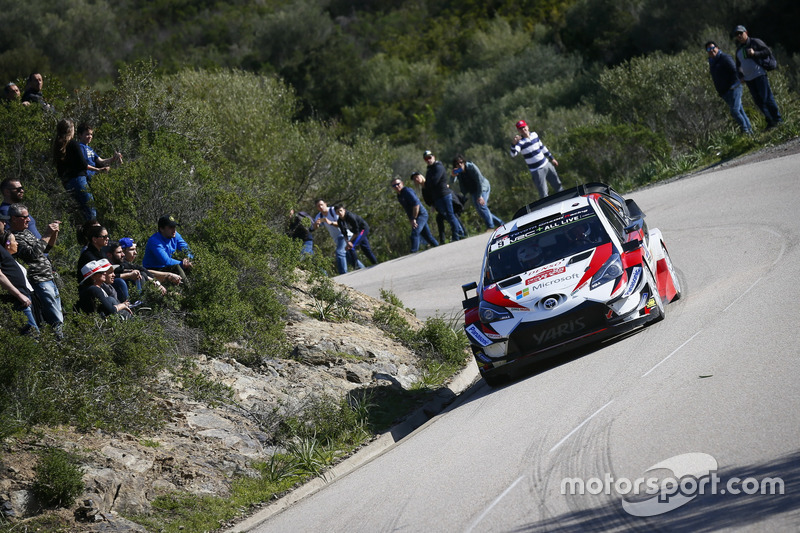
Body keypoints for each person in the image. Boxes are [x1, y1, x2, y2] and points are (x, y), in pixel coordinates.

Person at [8, 203, 63, 334]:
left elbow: (46, 249)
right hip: (39, 280)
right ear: (14, 218)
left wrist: (53, 234)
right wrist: (47, 234)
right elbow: (32, 255)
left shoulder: (26, 232)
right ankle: (60, 343)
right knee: (55, 317)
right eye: (25, 217)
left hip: (48, 278)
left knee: (58, 314)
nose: (29, 220)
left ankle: (60, 341)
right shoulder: (12, 237)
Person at [733, 25, 782, 130]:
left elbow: (768, 51)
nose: (739, 36)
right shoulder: (738, 50)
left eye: (740, 33)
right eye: (737, 34)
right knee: (759, 102)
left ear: (746, 32)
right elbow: (738, 66)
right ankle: (771, 121)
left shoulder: (755, 42)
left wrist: (755, 53)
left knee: (767, 98)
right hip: (749, 79)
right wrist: (741, 76)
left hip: (759, 75)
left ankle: (778, 120)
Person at [53, 118, 101, 221]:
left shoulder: (58, 145)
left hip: (67, 182)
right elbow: (83, 164)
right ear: (71, 130)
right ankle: (92, 231)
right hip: (79, 180)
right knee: (90, 208)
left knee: (80, 211)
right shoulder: (73, 144)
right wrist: (98, 170)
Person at [705, 41, 753, 134]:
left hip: (734, 88)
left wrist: (734, 85)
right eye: (708, 49)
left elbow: (735, 70)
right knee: (740, 111)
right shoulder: (711, 62)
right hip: (724, 92)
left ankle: (745, 131)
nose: (711, 51)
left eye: (712, 48)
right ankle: (750, 132)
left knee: (734, 111)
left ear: (717, 47)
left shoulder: (725, 58)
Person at [510, 120, 563, 199]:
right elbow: (513, 154)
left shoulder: (534, 135)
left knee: (558, 185)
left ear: (527, 127)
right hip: (536, 170)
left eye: (524, 127)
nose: (523, 130)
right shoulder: (520, 143)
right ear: (518, 131)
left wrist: (552, 158)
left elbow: (542, 147)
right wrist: (513, 144)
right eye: (520, 129)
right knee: (543, 193)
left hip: (547, 164)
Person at [410, 171, 468, 244]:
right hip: (440, 205)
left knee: (452, 216)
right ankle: (443, 240)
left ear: (421, 176)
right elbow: (428, 201)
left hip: (448, 200)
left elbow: (441, 185)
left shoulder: (430, 183)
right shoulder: (424, 189)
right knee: (441, 218)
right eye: (414, 179)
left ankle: (462, 234)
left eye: (417, 177)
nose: (416, 179)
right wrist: (433, 205)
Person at [451, 155, 504, 230]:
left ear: (464, 162)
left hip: (483, 187)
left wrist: (480, 196)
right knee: (480, 211)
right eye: (457, 163)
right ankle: (501, 224)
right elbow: (451, 183)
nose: (460, 164)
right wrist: (453, 176)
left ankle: (490, 227)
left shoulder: (471, 167)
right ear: (455, 165)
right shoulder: (458, 172)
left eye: (461, 162)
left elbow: (479, 182)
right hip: (473, 191)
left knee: (482, 206)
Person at [0, 230, 38, 333]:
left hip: (26, 296)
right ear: (7, 244)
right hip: (17, 299)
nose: (17, 243)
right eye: (14, 241)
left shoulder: (11, 260)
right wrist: (18, 294)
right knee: (32, 333)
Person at [423, 150, 465, 242]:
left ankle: (456, 236)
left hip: (444, 195)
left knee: (450, 215)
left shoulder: (439, 167)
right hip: (437, 198)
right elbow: (427, 185)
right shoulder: (429, 170)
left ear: (434, 157)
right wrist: (428, 183)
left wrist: (428, 183)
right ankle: (461, 233)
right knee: (448, 216)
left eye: (429, 157)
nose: (428, 160)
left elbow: (434, 181)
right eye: (426, 159)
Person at [141, 214, 194, 283]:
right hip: (153, 270)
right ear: (161, 229)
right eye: (170, 227)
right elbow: (166, 261)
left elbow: (187, 250)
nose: (174, 230)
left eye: (174, 227)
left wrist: (187, 259)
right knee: (177, 267)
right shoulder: (154, 241)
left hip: (166, 267)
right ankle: (188, 289)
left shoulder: (175, 235)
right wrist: (183, 264)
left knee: (192, 265)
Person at [391, 177, 438, 253]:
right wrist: (411, 219)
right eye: (394, 186)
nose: (396, 186)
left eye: (398, 184)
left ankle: (413, 252)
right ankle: (439, 247)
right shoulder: (399, 196)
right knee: (428, 237)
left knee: (414, 233)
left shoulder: (407, 191)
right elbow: (407, 209)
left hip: (421, 215)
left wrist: (414, 218)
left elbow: (416, 205)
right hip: (415, 217)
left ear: (402, 183)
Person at [312, 199, 349, 274]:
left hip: (345, 235)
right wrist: (316, 224)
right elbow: (315, 228)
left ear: (325, 204)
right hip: (337, 238)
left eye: (321, 205)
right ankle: (362, 269)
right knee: (349, 256)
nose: (321, 207)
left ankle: (343, 274)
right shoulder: (319, 216)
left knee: (340, 252)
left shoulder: (333, 210)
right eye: (318, 206)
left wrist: (329, 222)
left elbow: (341, 223)